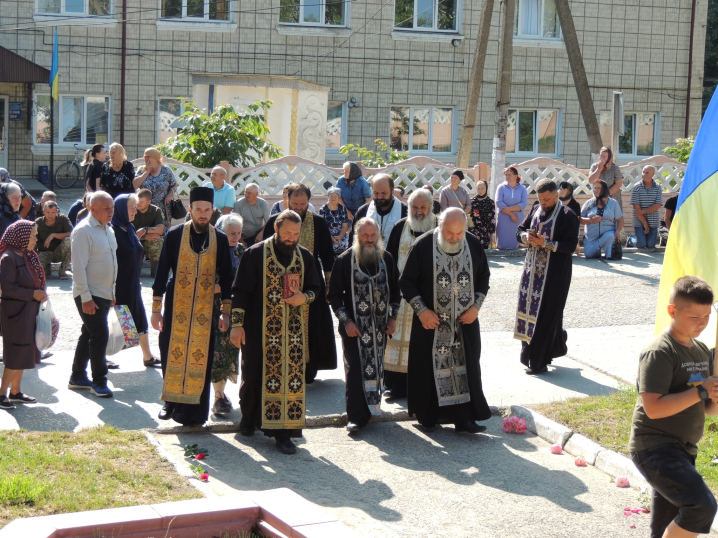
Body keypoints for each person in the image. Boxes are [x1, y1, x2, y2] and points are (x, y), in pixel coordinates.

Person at [630, 276, 718, 538]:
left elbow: (709, 408)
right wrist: (701, 389)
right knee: (701, 506)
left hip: (683, 450)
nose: (701, 323)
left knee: (664, 528)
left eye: (706, 316)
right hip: (655, 447)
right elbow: (653, 408)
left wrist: (711, 394)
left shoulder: (702, 350)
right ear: (672, 310)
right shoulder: (659, 352)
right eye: (694, 316)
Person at [230, 209, 321, 454]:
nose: (291, 238)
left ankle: (284, 433)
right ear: (276, 230)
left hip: (292, 334)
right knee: (253, 377)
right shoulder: (254, 254)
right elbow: (240, 292)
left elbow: (315, 289)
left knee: (290, 382)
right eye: (287, 233)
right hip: (257, 331)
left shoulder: (305, 257)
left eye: (296, 233)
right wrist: (236, 325)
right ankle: (248, 419)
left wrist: (304, 297)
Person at [399, 208, 491, 433]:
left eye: (460, 233)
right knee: (428, 370)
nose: (455, 238)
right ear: (440, 225)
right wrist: (422, 311)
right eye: (450, 232)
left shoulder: (473, 244)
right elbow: (406, 282)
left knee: (465, 368)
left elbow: (483, 278)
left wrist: (476, 307)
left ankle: (464, 419)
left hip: (464, 324)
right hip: (431, 324)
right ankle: (428, 417)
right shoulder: (422, 246)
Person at [151, 187, 234, 427]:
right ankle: (170, 402)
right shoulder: (175, 235)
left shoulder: (219, 238)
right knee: (170, 353)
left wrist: (225, 312)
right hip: (176, 306)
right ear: (190, 210)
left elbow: (228, 278)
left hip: (205, 311)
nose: (202, 214)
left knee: (200, 357)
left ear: (212, 211)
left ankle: (196, 413)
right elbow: (161, 272)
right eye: (198, 209)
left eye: (207, 210)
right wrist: (156, 309)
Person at [328, 218, 400, 432]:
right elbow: (333, 296)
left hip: (379, 328)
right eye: (365, 235)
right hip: (354, 329)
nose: (369, 239)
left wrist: (392, 317)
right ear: (356, 235)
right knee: (355, 371)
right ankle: (355, 417)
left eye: (373, 235)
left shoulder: (386, 258)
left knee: (376, 368)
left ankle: (371, 408)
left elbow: (396, 291)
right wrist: (347, 322)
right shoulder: (344, 260)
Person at [263, 183, 337, 383]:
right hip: (278, 283)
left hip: (310, 283)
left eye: (302, 204)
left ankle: (308, 369)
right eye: (294, 203)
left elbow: (328, 256)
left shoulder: (318, 223)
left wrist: (329, 285)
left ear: (308, 202)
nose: (298, 207)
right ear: (287, 200)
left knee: (311, 325)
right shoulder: (274, 221)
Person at [515, 179, 579, 375]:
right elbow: (520, 231)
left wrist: (546, 242)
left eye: (547, 199)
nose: (543, 203)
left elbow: (570, 245)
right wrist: (527, 238)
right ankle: (556, 344)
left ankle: (538, 362)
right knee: (531, 313)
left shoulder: (568, 215)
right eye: (541, 199)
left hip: (555, 275)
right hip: (532, 273)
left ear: (556, 196)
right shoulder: (535, 209)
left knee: (546, 315)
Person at [384, 188, 437, 398]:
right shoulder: (400, 227)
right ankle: (394, 386)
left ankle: (420, 386)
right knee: (395, 337)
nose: (419, 211)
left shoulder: (439, 227)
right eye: (414, 207)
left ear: (430, 207)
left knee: (421, 341)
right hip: (400, 295)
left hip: (427, 298)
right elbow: (389, 261)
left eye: (423, 207)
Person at [68, 192, 118, 398]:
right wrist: (86, 297)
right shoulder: (83, 231)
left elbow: (112, 260)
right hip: (89, 293)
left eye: (112, 207)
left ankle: (77, 376)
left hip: (104, 293)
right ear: (92, 209)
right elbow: (78, 267)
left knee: (89, 333)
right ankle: (99, 381)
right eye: (106, 208)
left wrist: (112, 292)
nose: (110, 211)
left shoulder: (108, 229)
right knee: (99, 334)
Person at [0, 221, 47, 409]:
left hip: (29, 310)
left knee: (24, 351)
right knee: (16, 352)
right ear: (21, 236)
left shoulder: (27, 255)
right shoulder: (8, 257)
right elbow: (8, 288)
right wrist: (32, 294)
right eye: (33, 235)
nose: (36, 239)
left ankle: (15, 392)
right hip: (16, 313)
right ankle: (2, 393)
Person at [110, 194, 159, 368]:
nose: (135, 210)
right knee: (114, 322)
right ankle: (101, 356)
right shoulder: (112, 231)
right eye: (131, 207)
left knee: (139, 317)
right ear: (121, 209)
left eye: (135, 207)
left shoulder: (128, 227)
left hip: (132, 283)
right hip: (118, 285)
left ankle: (147, 355)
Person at [210, 214, 246, 416]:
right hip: (213, 309)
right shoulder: (211, 251)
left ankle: (223, 395)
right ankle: (218, 397)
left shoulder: (241, 251)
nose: (235, 237)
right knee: (218, 353)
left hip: (236, 309)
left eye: (238, 233)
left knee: (232, 352)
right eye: (231, 233)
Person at [350, 174, 408, 245]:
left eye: (384, 193)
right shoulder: (363, 211)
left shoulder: (405, 212)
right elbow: (353, 240)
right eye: (376, 193)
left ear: (392, 190)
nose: (380, 197)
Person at [579, 180, 624, 260]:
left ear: (604, 189)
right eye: (594, 188)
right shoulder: (588, 203)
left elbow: (620, 220)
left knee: (609, 236)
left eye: (599, 188)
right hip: (591, 236)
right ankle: (599, 249)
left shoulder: (613, 203)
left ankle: (609, 254)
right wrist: (591, 220)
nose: (596, 190)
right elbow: (580, 219)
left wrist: (618, 231)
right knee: (589, 255)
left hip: (608, 233)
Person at [134, 148, 178, 225]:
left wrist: (169, 195)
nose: (146, 159)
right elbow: (135, 185)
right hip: (145, 210)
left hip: (163, 209)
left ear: (155, 158)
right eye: (145, 157)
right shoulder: (142, 170)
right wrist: (146, 172)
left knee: (162, 233)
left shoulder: (166, 170)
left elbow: (174, 184)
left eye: (149, 157)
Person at [35, 200, 72, 279]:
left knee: (68, 240)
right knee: (39, 274)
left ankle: (62, 271)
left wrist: (53, 235)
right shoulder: (38, 222)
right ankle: (46, 268)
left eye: (53, 212)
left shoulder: (63, 219)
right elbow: (33, 240)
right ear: (43, 211)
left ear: (57, 212)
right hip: (44, 252)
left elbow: (72, 234)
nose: (50, 215)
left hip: (59, 252)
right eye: (48, 212)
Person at [133, 189, 165, 278]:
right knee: (135, 274)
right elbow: (128, 232)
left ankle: (156, 272)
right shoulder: (132, 210)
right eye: (137, 201)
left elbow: (160, 230)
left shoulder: (156, 210)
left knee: (157, 240)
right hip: (136, 240)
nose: (138, 203)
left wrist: (145, 229)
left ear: (149, 202)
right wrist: (146, 236)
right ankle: (135, 270)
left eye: (141, 201)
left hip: (149, 241)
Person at [495, 166, 528, 249]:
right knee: (503, 237)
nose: (507, 177)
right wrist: (511, 214)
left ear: (516, 176)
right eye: (506, 175)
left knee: (516, 238)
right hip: (503, 218)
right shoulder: (501, 187)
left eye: (509, 174)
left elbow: (523, 204)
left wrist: (509, 209)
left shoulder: (522, 189)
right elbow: (498, 202)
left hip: (518, 219)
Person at [631, 165, 663, 249]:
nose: (644, 174)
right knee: (641, 245)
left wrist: (643, 211)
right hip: (639, 220)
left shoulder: (658, 187)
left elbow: (658, 205)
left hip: (653, 220)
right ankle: (631, 239)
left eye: (647, 172)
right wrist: (645, 224)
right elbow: (636, 208)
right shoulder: (636, 187)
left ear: (653, 174)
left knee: (650, 246)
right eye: (643, 172)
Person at [319, 187, 350, 257]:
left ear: (339, 198)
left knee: (346, 244)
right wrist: (331, 238)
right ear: (328, 197)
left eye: (335, 196)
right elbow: (322, 228)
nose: (333, 198)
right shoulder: (323, 209)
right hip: (327, 234)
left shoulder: (342, 209)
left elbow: (345, 225)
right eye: (331, 196)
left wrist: (340, 237)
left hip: (340, 233)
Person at [468, 180, 496, 249]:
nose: (480, 190)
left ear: (486, 188)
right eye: (478, 188)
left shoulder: (490, 202)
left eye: (482, 188)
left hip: (485, 232)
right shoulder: (472, 201)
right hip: (473, 230)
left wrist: (491, 236)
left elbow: (492, 219)